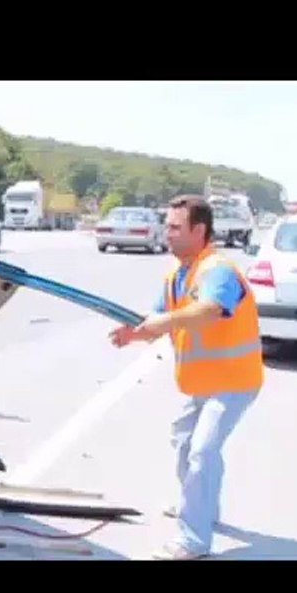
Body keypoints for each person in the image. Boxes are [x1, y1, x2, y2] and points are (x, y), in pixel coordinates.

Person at [108, 194, 264, 560]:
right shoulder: (176, 276)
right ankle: (204, 508)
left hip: (234, 381)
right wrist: (134, 333)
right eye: (167, 226)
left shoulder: (218, 270)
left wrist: (163, 321)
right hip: (202, 384)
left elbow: (210, 310)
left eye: (176, 227)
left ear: (200, 230)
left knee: (202, 451)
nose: (167, 234)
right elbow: (157, 321)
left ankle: (193, 540)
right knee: (184, 445)